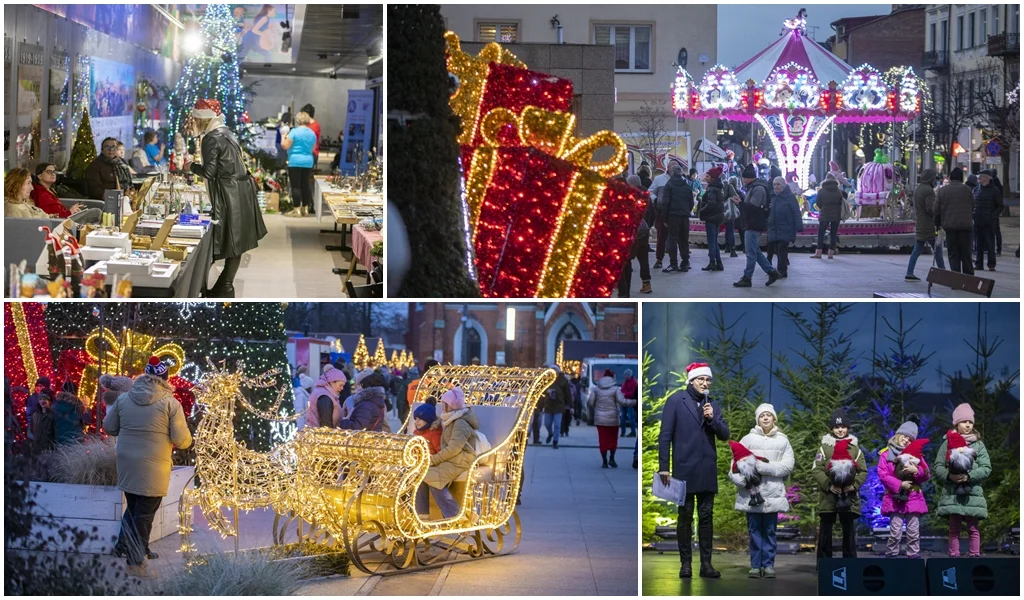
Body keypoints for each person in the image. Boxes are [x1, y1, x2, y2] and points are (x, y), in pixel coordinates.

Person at [104, 357, 192, 579]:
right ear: (164, 379)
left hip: (127, 464)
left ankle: (122, 546)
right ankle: (135, 563)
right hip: (153, 467)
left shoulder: (124, 399)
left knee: (133, 507)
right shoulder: (171, 404)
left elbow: (109, 427)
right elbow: (182, 440)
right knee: (144, 515)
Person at [185, 98, 268, 297]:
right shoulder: (227, 132)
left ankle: (213, 287)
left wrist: (190, 166)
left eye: (196, 119)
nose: (194, 123)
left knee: (216, 240)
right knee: (237, 241)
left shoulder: (211, 137)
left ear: (202, 119)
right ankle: (226, 285)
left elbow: (209, 172)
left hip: (228, 192)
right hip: (240, 190)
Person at [657, 362, 729, 578]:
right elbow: (665, 435)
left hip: (707, 469)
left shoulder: (712, 405)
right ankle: (685, 563)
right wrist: (664, 467)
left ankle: (706, 564)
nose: (705, 383)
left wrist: (712, 419)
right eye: (701, 380)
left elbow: (725, 434)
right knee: (685, 516)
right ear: (691, 380)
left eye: (708, 380)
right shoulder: (677, 400)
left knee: (706, 517)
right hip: (684, 468)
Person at [728, 403, 794, 578]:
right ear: (757, 419)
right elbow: (733, 467)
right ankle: (755, 565)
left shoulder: (782, 441)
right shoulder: (747, 440)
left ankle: (769, 565)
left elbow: (787, 466)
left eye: (769, 415)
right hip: (752, 494)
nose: (765, 418)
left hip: (772, 494)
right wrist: (743, 480)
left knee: (770, 531)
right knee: (754, 530)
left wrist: (762, 467)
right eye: (762, 415)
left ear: (774, 418)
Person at [933, 403, 990, 558]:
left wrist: (970, 476)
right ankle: (954, 556)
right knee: (954, 529)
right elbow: (938, 466)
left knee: (973, 528)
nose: (967, 425)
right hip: (953, 493)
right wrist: (949, 476)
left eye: (970, 422)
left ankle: (975, 556)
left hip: (973, 493)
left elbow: (986, 467)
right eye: (964, 421)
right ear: (956, 423)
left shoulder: (978, 444)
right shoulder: (947, 443)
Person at [811, 408, 867, 562]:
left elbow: (863, 471)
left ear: (848, 428)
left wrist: (854, 485)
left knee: (849, 532)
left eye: (843, 426)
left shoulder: (855, 449)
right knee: (826, 532)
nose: (840, 430)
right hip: (828, 497)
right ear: (832, 429)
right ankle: (824, 564)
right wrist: (829, 485)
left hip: (849, 497)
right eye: (836, 427)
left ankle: (850, 564)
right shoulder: (824, 448)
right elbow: (817, 470)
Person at [417, 387, 479, 519]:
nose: (442, 407)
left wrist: (433, 460)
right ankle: (422, 514)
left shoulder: (460, 422)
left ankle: (455, 514)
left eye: (444, 404)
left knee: (434, 478)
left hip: (462, 458)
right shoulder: (451, 419)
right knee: (421, 473)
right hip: (454, 457)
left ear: (450, 406)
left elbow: (454, 449)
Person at [877, 420, 930, 559]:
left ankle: (913, 555)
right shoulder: (885, 454)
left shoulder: (917, 455)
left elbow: (926, 474)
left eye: (910, 439)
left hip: (914, 497)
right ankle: (892, 555)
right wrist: (899, 485)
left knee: (913, 531)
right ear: (898, 435)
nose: (907, 440)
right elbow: (883, 474)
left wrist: (916, 470)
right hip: (895, 499)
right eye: (905, 436)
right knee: (895, 531)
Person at [734, 164, 781, 288]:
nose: (743, 180)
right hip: (753, 222)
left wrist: (741, 203)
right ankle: (771, 271)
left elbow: (753, 207)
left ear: (750, 178)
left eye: (744, 178)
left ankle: (747, 277)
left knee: (750, 252)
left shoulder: (758, 188)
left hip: (754, 223)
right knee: (755, 251)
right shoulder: (754, 187)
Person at [905, 169, 945, 280]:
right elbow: (930, 209)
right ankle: (944, 274)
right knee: (937, 250)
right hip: (929, 224)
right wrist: (937, 210)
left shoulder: (918, 189)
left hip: (920, 222)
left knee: (917, 249)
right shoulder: (928, 190)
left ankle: (909, 272)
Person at [29, 163, 102, 224]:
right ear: (39, 176)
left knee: (95, 211)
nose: (53, 174)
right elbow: (49, 215)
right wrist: (70, 212)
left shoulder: (49, 190)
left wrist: (72, 211)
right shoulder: (39, 193)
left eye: (54, 172)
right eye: (49, 172)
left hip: (66, 217)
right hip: (61, 223)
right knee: (96, 212)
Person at [934, 167, 975, 275]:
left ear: (950, 178)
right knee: (966, 253)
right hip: (965, 226)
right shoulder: (967, 189)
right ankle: (968, 278)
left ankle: (955, 278)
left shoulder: (942, 191)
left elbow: (936, 210)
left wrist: (937, 224)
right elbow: (973, 205)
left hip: (950, 226)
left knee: (953, 253)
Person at [617, 174, 652, 296]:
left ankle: (623, 292)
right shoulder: (646, 195)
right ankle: (646, 283)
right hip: (643, 230)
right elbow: (651, 213)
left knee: (625, 262)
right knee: (643, 258)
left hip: (631, 233)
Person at [280, 111, 317, 217]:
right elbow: (313, 149)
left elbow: (285, 146)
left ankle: (297, 209)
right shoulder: (312, 133)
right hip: (308, 162)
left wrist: (283, 136)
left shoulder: (294, 132)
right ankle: (305, 208)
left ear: (298, 120)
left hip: (295, 161)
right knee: (305, 185)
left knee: (296, 186)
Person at [659, 165, 695, 273]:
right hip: (684, 216)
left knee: (672, 239)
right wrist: (686, 211)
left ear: (672, 173)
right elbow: (691, 202)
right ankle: (685, 263)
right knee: (684, 239)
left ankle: (673, 264)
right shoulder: (687, 186)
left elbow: (665, 203)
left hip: (673, 216)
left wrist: (665, 218)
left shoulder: (668, 185)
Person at [590, 369, 630, 468]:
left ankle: (604, 461)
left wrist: (596, 408)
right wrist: (634, 402)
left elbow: (590, 402)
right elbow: (622, 402)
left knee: (602, 439)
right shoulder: (616, 389)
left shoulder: (596, 388)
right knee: (613, 439)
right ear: (612, 378)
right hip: (613, 419)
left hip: (600, 419)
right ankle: (612, 459)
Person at [766, 176, 803, 279]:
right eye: (774, 184)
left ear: (783, 185)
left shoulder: (789, 197)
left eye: (778, 184)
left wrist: (799, 226)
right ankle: (776, 270)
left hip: (786, 227)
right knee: (774, 249)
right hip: (773, 227)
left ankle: (782, 270)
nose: (776, 186)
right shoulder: (772, 196)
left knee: (781, 249)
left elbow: (796, 211)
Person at [698, 167, 727, 272]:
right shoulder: (719, 188)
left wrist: (702, 210)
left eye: (707, 176)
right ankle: (718, 262)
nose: (705, 177)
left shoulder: (711, 189)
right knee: (714, 240)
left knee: (711, 241)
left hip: (711, 217)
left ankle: (712, 263)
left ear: (712, 178)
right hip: (718, 216)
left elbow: (711, 203)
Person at [972, 169, 1002, 272]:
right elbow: (972, 205)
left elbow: (1000, 206)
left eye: (981, 176)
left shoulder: (994, 190)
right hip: (977, 221)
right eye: (979, 177)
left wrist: (992, 216)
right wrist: (973, 215)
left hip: (989, 222)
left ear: (987, 178)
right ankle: (979, 264)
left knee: (990, 244)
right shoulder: (976, 190)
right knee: (978, 244)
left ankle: (991, 264)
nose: (979, 178)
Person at [812, 173, 844, 260]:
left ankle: (818, 253)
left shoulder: (821, 191)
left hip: (824, 214)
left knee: (821, 234)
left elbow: (818, 203)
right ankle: (830, 253)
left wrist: (823, 207)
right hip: (836, 214)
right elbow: (841, 202)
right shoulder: (838, 191)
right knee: (833, 234)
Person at [541, 364, 571, 449]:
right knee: (547, 423)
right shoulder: (546, 380)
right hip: (548, 405)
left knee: (557, 425)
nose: (554, 371)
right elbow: (541, 392)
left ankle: (555, 441)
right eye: (552, 370)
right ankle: (550, 433)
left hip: (559, 405)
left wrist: (570, 406)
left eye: (555, 370)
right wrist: (547, 393)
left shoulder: (563, 380)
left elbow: (568, 394)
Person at [52, 382, 92, 446]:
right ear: (75, 392)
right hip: (76, 441)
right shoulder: (79, 406)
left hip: (59, 441)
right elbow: (88, 421)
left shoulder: (55, 406)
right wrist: (87, 407)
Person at [648, 168, 670, 269]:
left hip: (676, 213)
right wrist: (655, 199)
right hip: (661, 212)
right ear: (668, 168)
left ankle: (680, 261)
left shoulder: (682, 180)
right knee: (661, 236)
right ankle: (659, 259)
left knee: (679, 237)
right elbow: (650, 191)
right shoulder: (659, 179)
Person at [28, 388, 56, 454]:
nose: (42, 401)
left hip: (49, 450)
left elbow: (56, 433)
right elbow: (30, 430)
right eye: (40, 399)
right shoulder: (35, 414)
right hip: (36, 450)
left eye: (44, 399)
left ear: (49, 401)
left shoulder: (53, 415)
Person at [620, 369, 638, 438]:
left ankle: (633, 432)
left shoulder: (634, 383)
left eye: (625, 375)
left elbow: (633, 393)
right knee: (623, 417)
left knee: (631, 417)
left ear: (628, 376)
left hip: (630, 402)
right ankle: (623, 432)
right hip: (624, 401)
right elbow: (622, 389)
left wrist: (624, 394)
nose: (624, 377)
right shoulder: (625, 382)